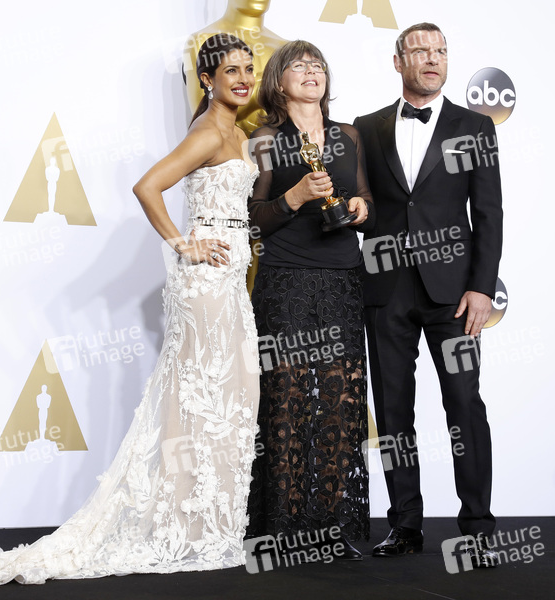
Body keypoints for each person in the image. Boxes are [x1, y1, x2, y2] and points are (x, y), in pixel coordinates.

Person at [0, 33, 261, 587]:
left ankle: (204, 525)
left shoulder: (237, 131)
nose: (242, 79)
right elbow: (147, 186)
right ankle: (188, 527)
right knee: (202, 400)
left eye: (248, 68)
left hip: (227, 281)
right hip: (206, 286)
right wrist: (182, 243)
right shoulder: (209, 132)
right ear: (207, 79)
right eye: (231, 71)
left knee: (222, 400)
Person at [353, 22, 503, 567]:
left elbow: (488, 212)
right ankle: (404, 525)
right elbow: (364, 203)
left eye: (441, 51)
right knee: (393, 411)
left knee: (465, 405)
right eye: (421, 51)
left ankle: (478, 528)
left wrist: (481, 288)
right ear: (399, 62)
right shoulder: (365, 128)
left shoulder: (475, 125)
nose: (433, 59)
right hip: (386, 289)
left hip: (454, 295)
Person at [243, 40, 374, 560]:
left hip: (342, 279)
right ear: (279, 81)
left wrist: (361, 206)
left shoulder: (349, 136)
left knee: (341, 404)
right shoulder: (265, 138)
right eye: (298, 65)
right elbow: (251, 218)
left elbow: (366, 198)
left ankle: (331, 526)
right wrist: (294, 197)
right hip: (285, 282)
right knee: (287, 402)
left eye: (317, 64)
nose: (311, 71)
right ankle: (284, 527)